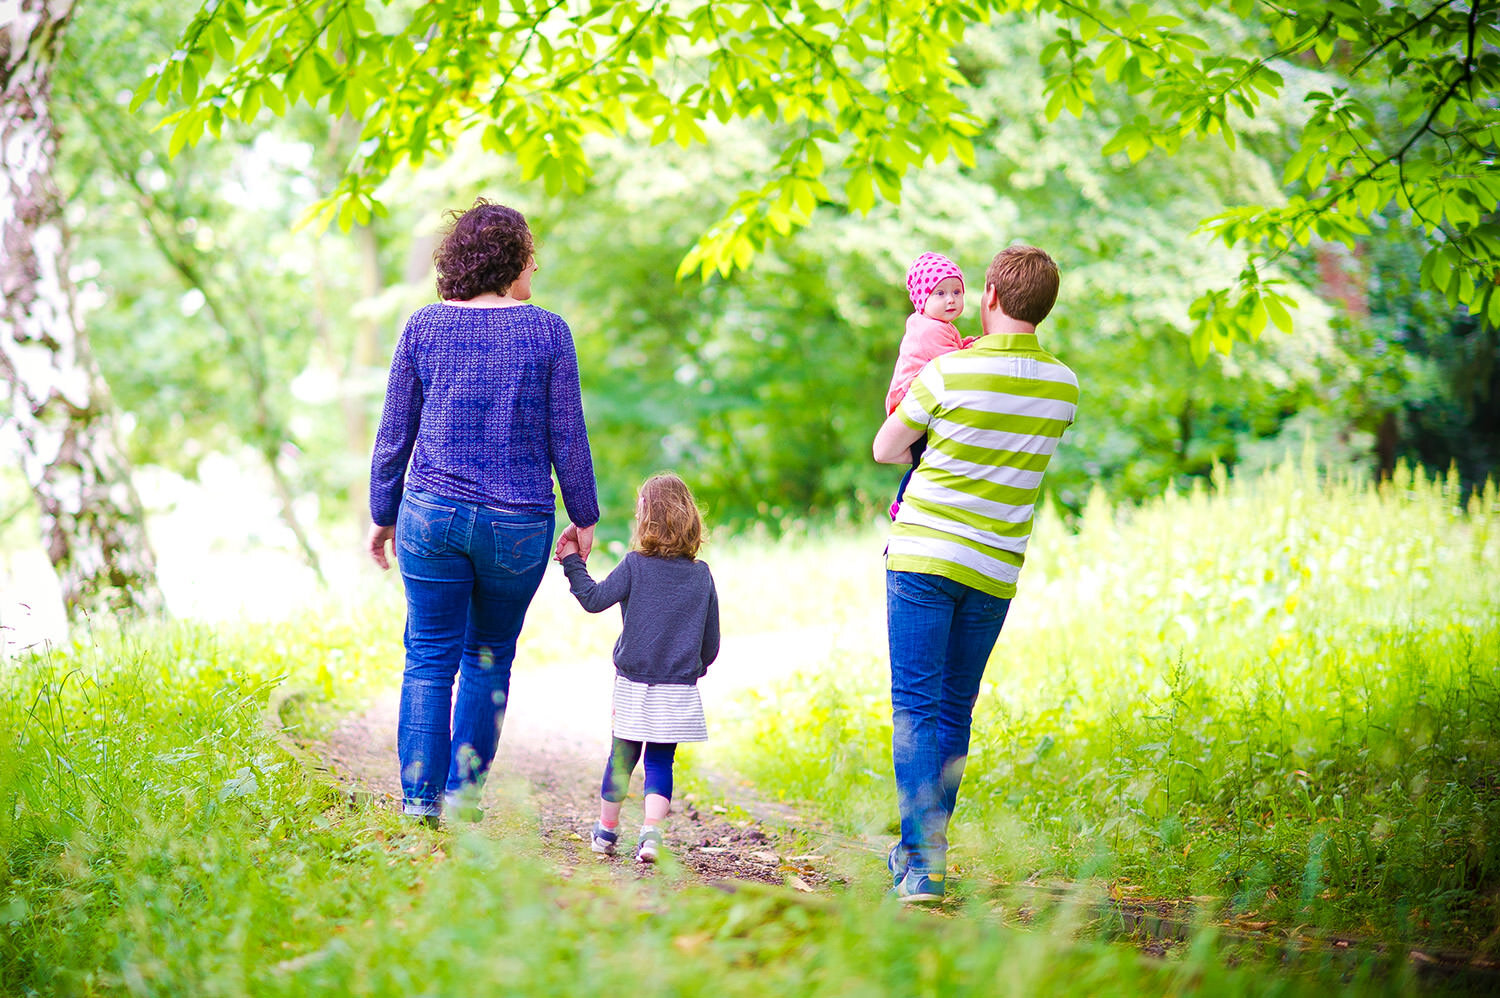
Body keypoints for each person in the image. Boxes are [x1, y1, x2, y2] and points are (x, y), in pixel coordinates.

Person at [367, 198, 599, 824]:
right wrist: (584, 514)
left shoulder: (423, 327)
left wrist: (382, 512)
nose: (534, 271)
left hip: (432, 517)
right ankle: (462, 798)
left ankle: (419, 806)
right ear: (512, 260)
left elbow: (395, 434)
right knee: (488, 654)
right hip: (517, 524)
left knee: (429, 655)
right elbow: (567, 434)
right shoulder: (548, 331)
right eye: (531, 258)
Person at [871, 245, 1078, 902]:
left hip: (924, 555)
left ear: (988, 296)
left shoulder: (948, 373)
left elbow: (885, 449)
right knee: (956, 708)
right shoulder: (1064, 387)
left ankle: (922, 862)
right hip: (993, 568)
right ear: (1043, 308)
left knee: (916, 708)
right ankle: (922, 856)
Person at [555, 473, 720, 863]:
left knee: (621, 758)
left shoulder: (634, 566)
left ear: (644, 519)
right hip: (677, 687)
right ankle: (650, 836)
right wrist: (692, 670)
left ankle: (606, 832)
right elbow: (711, 643)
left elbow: (593, 599)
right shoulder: (701, 575)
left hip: (633, 684)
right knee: (661, 761)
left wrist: (571, 562)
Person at [883, 252, 976, 519]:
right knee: (922, 458)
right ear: (922, 299)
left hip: (920, 397)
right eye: (940, 293)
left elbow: (953, 352)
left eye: (957, 291)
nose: (951, 299)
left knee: (923, 458)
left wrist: (969, 344)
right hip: (911, 399)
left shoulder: (940, 326)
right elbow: (953, 364)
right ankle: (902, 500)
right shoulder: (928, 329)